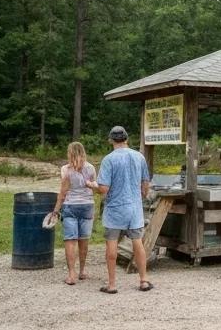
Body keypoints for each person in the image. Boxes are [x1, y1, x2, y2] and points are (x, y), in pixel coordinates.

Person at [96, 125, 152, 294]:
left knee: (111, 244)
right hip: (134, 208)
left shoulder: (108, 160)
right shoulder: (139, 157)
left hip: (114, 209)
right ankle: (143, 280)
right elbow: (145, 185)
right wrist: (140, 196)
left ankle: (112, 284)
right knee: (138, 243)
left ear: (111, 140)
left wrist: (93, 186)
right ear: (127, 139)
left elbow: (103, 189)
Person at [52, 141, 98, 285]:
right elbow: (94, 186)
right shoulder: (91, 168)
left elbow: (62, 193)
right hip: (87, 206)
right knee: (84, 240)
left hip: (70, 206)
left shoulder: (65, 170)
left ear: (69, 153)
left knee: (70, 240)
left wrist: (55, 211)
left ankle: (71, 274)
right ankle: (82, 271)